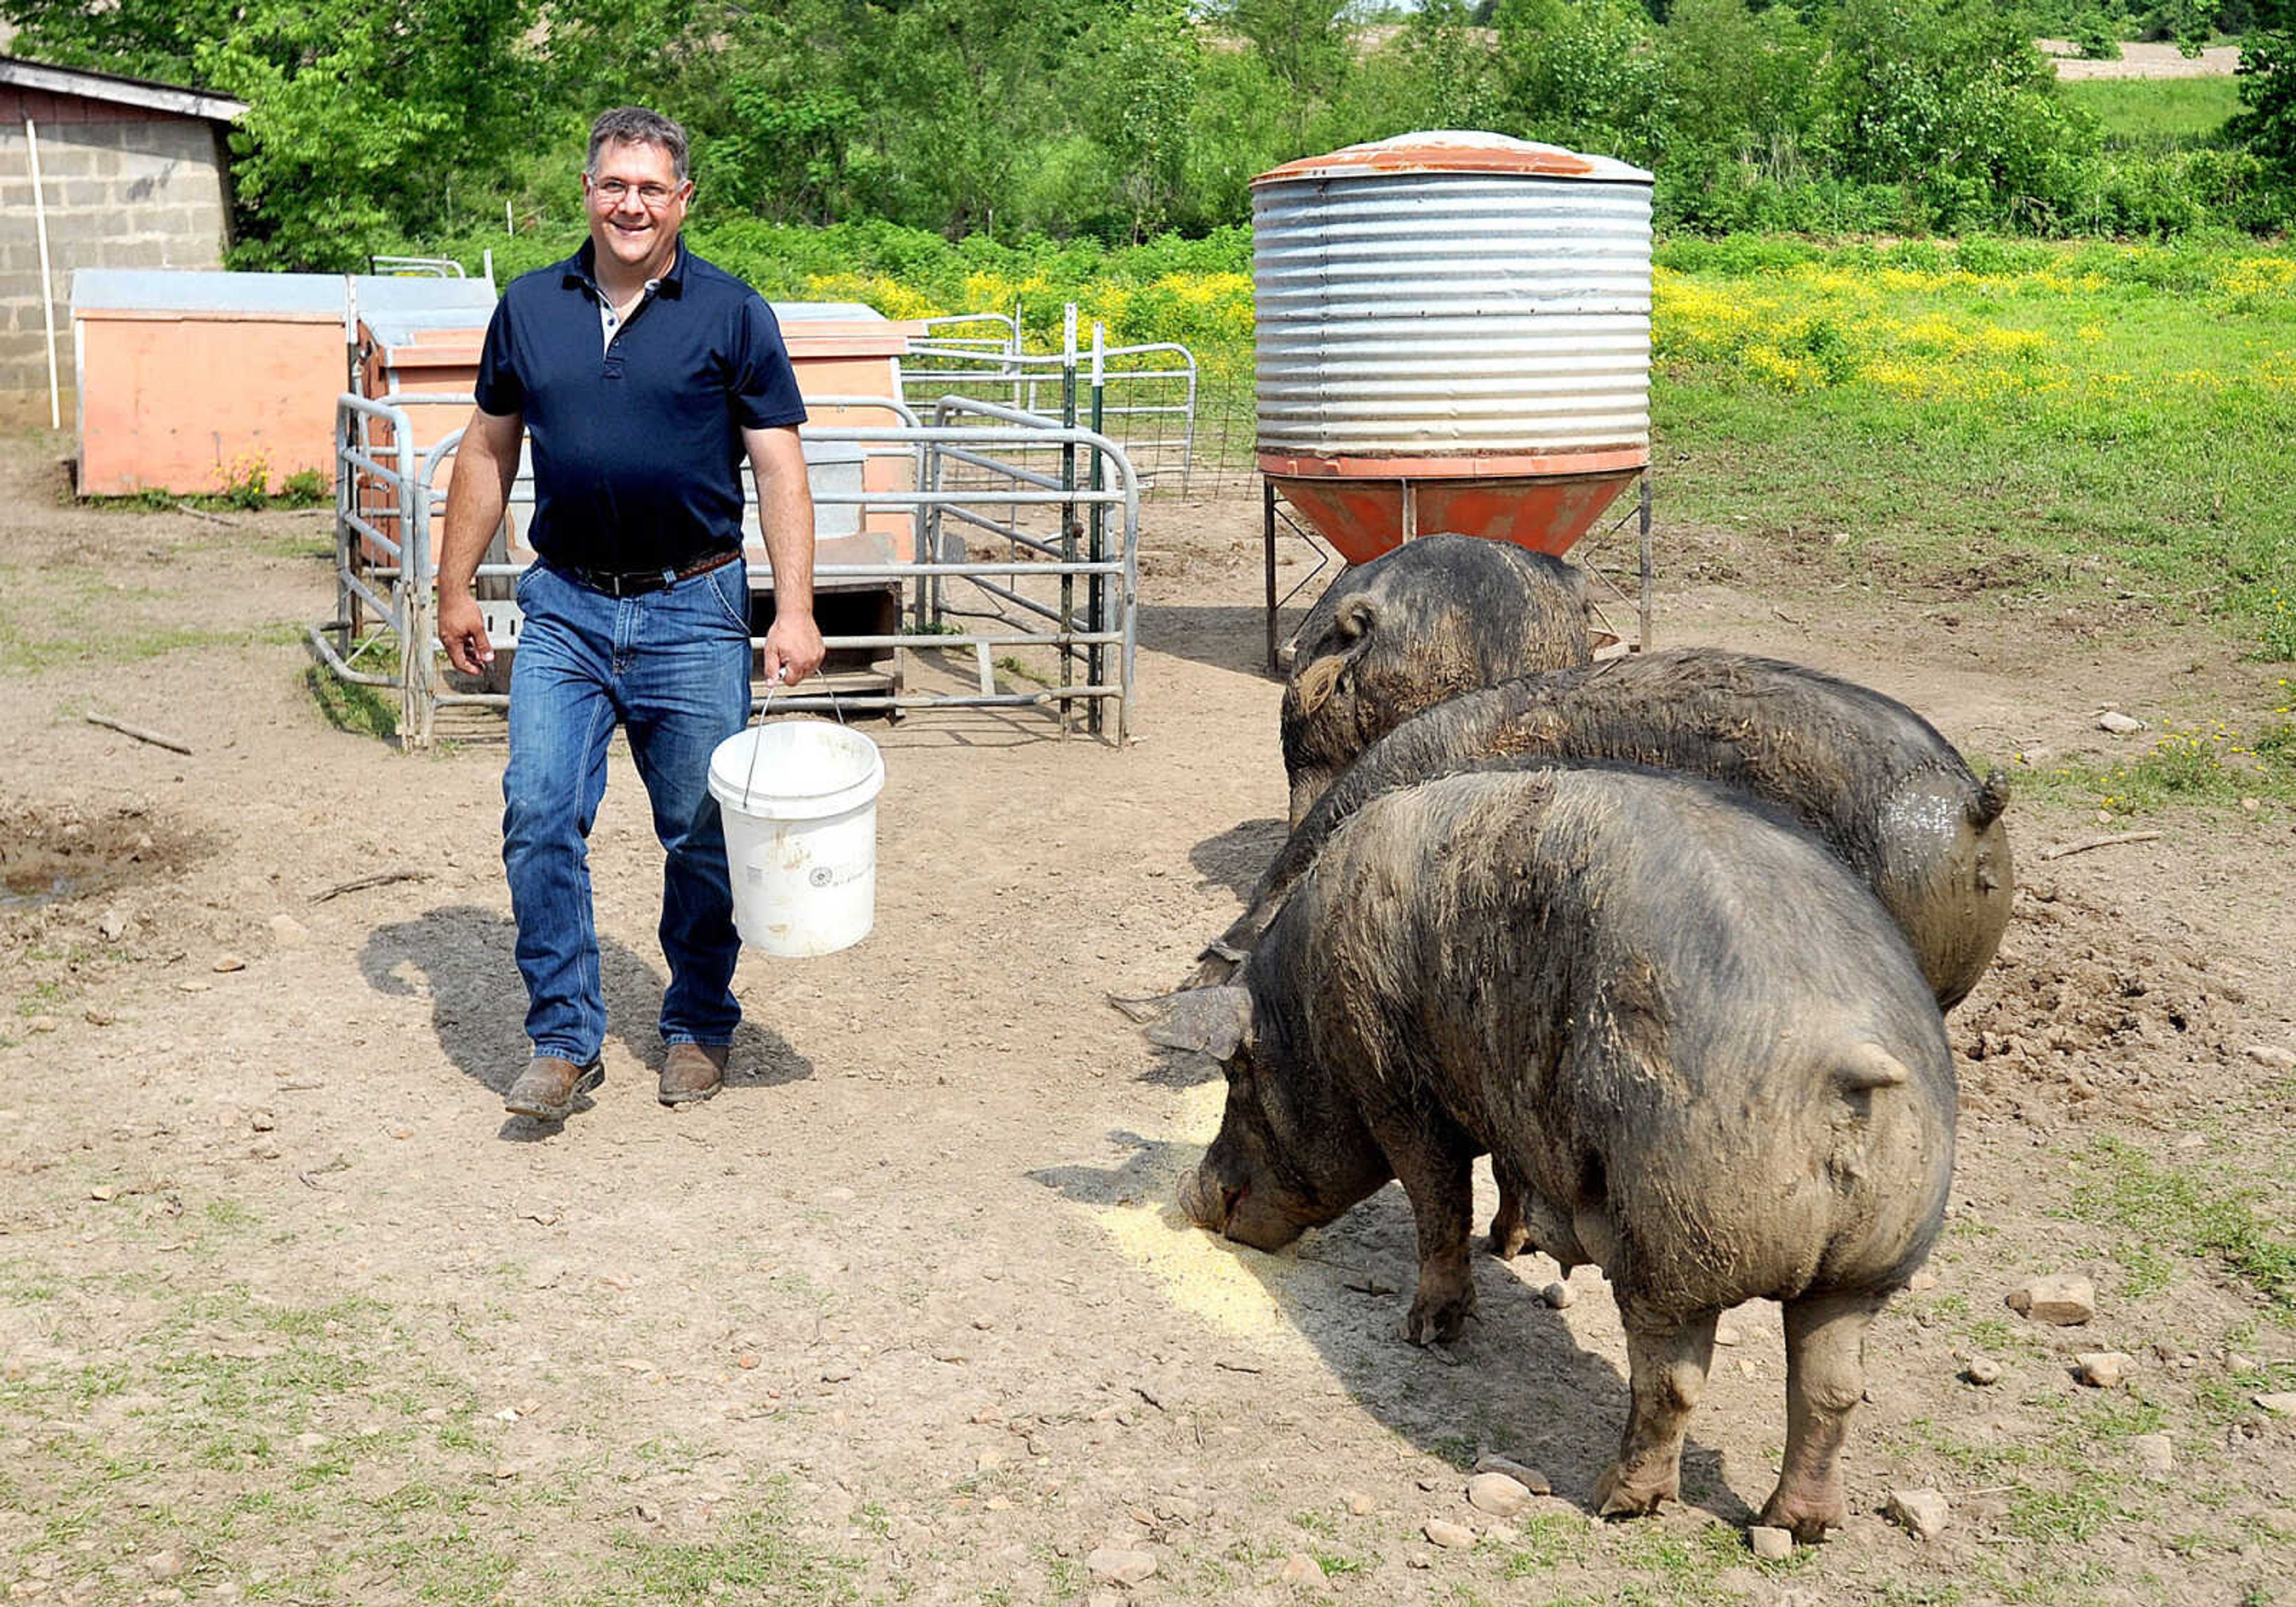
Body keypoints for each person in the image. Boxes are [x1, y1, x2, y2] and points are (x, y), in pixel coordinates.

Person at [436, 106, 824, 1123]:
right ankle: (565, 1038)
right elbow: (488, 449)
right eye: (615, 184)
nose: (632, 204)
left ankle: (698, 1020)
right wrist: (453, 585)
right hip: (564, 604)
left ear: (683, 199)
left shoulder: (734, 313)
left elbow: (780, 466)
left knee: (701, 832)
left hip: (693, 604)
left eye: (653, 188)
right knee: (537, 814)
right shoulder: (530, 307)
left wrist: (794, 611)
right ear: (588, 192)